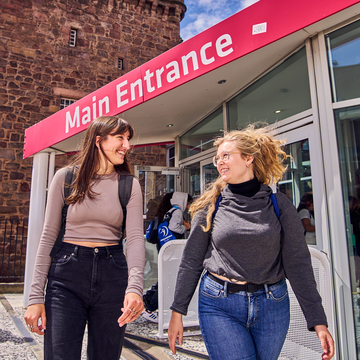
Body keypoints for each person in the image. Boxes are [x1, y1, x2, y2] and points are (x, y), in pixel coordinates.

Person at [168, 125, 334, 360]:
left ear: (248, 158)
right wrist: (177, 311)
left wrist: (317, 320)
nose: (219, 162)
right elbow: (191, 260)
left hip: (272, 306)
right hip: (219, 305)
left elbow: (298, 264)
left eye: (226, 155)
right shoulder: (211, 206)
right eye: (217, 158)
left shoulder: (279, 205)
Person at [24, 116, 145, 360]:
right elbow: (48, 237)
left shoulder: (129, 185)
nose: (127, 145)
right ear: (98, 141)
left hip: (113, 276)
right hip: (66, 277)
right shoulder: (65, 178)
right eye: (120, 138)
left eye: (128, 139)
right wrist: (35, 297)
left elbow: (134, 239)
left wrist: (135, 288)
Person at [143, 191, 192, 323]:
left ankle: (153, 304)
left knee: (166, 281)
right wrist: (186, 228)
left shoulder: (169, 211)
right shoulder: (177, 212)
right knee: (167, 282)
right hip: (172, 253)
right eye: (187, 202)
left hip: (166, 252)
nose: (187, 206)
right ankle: (150, 310)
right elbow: (174, 227)